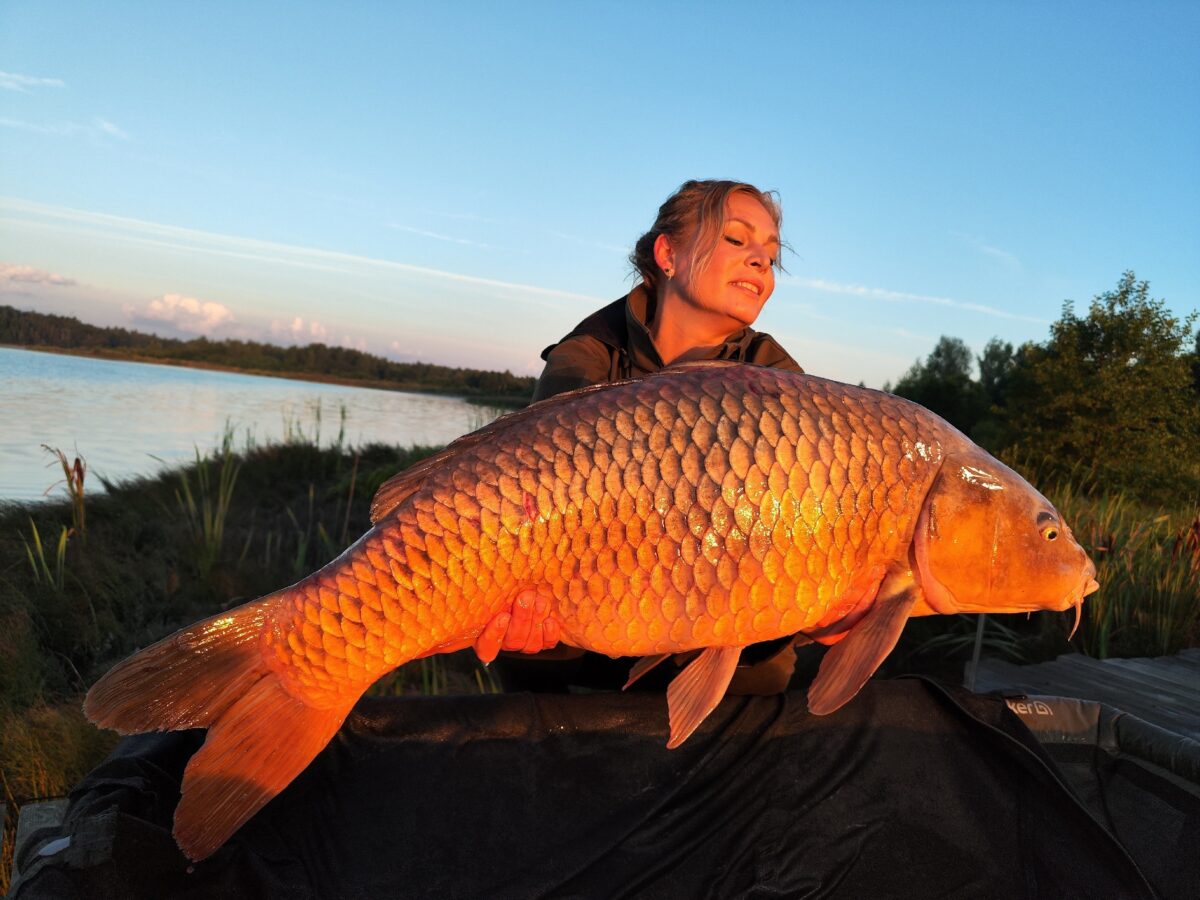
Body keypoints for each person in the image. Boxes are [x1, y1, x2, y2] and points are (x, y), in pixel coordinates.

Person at [482, 179, 805, 695]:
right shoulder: (585, 359)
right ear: (668, 253)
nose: (761, 261)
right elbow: (538, 521)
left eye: (771, 254)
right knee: (525, 640)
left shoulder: (783, 384)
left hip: (732, 653)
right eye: (737, 240)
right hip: (589, 637)